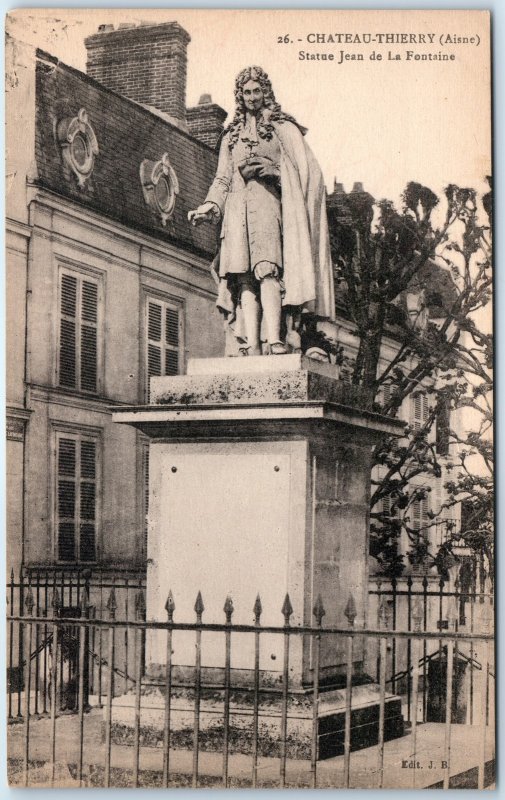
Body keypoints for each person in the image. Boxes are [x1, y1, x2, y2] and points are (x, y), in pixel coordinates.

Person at [189, 66, 335, 356]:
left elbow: (310, 175)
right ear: (239, 96)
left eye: (257, 91)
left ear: (265, 92)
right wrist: (209, 205)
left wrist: (276, 172)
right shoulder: (231, 136)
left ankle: (275, 339)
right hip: (236, 212)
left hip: (270, 207)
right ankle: (252, 344)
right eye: (246, 92)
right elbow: (222, 177)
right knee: (243, 277)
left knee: (267, 271)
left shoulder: (282, 129)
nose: (252, 97)